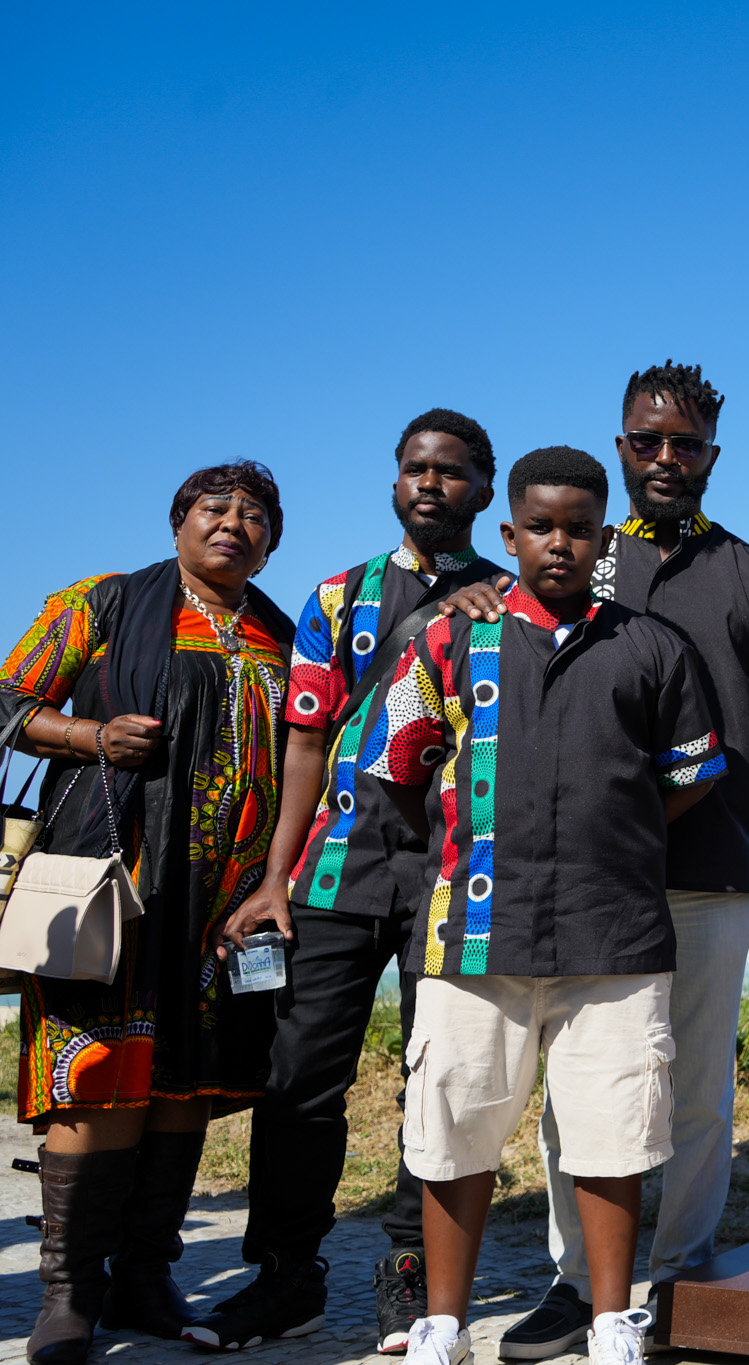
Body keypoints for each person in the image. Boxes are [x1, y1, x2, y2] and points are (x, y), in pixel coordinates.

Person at [440, 362, 749, 1356]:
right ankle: (579, 1285)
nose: (666, 458)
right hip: (570, 881)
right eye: (647, 441)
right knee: (571, 1094)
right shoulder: (568, 555)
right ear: (620, 448)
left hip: (707, 869)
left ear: (711, 456)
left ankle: (678, 1277)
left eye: (685, 444)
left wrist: (713, 770)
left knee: (693, 1087)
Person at [367, 446, 726, 1365]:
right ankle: (444, 1323)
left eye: (577, 529)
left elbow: (689, 775)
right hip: (471, 935)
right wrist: (465, 843)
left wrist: (617, 833)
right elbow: (399, 767)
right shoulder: (448, 640)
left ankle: (610, 1322)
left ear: (604, 539)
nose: (558, 543)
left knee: (612, 1134)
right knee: (453, 1130)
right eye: (539, 527)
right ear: (509, 533)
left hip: (615, 937)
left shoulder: (651, 646)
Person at [183, 410, 508, 1352]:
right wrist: (274, 877)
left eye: (451, 470)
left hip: (456, 874)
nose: (430, 483)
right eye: (415, 468)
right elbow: (306, 740)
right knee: (299, 1081)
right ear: (395, 480)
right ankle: (286, 1278)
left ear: (485, 488)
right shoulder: (340, 595)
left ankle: (411, 1278)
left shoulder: (514, 597)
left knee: (437, 1083)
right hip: (336, 867)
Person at [1, 463, 295, 1364]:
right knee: (97, 1072)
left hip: (226, 904)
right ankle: (68, 1293)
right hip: (114, 885)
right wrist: (90, 734)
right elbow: (8, 700)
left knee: (186, 1079)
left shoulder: (281, 633)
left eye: (255, 515)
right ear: (178, 523)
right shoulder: (105, 603)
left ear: (270, 543)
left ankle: (144, 1275)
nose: (234, 523)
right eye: (216, 507)